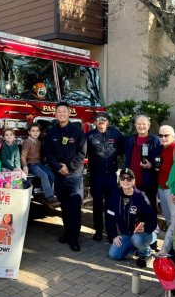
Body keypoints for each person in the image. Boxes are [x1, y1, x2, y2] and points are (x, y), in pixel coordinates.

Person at [44, 102, 87, 251]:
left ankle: (74, 238)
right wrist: (58, 167)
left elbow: (81, 153)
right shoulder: (51, 132)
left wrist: (68, 167)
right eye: (59, 112)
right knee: (64, 206)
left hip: (74, 175)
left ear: (69, 113)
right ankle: (68, 232)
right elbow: (48, 152)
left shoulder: (78, 132)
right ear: (55, 114)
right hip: (59, 175)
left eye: (64, 112)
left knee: (74, 206)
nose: (62, 114)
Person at [106, 168, 157, 267]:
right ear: (119, 180)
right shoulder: (115, 196)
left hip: (143, 233)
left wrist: (146, 228)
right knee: (114, 255)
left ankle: (145, 254)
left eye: (129, 179)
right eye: (123, 178)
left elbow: (152, 218)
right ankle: (136, 247)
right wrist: (113, 235)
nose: (125, 181)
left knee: (137, 239)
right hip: (127, 234)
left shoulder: (141, 197)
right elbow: (109, 217)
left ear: (133, 181)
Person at [86, 111, 125, 241]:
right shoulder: (89, 136)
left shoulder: (115, 133)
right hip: (96, 175)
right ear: (95, 122)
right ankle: (98, 230)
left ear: (107, 122)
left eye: (104, 119)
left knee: (111, 205)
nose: (101, 121)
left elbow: (124, 146)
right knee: (97, 204)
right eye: (98, 119)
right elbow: (82, 152)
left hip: (111, 176)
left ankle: (110, 231)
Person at [123, 115, 162, 212]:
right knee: (133, 209)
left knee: (150, 208)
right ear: (135, 125)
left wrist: (151, 166)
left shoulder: (155, 140)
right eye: (139, 124)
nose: (141, 126)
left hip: (149, 182)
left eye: (144, 124)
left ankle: (151, 227)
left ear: (148, 126)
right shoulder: (130, 139)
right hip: (132, 183)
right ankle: (134, 227)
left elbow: (161, 161)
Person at [21, 123, 60, 208]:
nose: (35, 133)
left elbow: (39, 155)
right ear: (29, 132)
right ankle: (49, 197)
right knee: (44, 175)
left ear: (39, 132)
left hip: (39, 163)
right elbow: (23, 156)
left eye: (37, 131)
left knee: (51, 175)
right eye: (33, 131)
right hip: (31, 165)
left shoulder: (38, 142)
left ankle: (46, 194)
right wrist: (25, 167)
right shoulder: (27, 142)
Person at [156, 125, 175, 225]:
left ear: (172, 136)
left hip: (171, 188)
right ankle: (170, 236)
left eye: (166, 135)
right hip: (161, 186)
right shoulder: (163, 148)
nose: (163, 138)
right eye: (161, 135)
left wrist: (161, 166)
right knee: (167, 215)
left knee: (174, 216)